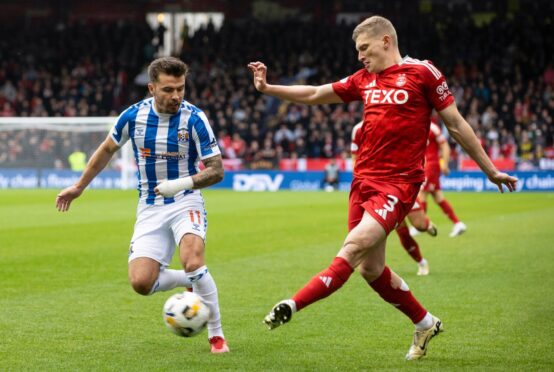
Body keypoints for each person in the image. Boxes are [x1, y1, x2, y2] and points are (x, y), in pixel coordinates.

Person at [248, 15, 517, 360]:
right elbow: (316, 92)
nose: (360, 56)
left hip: (398, 184)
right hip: (362, 183)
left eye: (364, 48)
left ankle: (292, 304)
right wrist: (269, 88)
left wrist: (490, 169)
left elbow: (456, 124)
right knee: (370, 268)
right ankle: (424, 322)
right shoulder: (364, 79)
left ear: (386, 41)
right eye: (357, 50)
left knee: (353, 247)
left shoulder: (423, 73)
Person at [55, 57, 230, 354]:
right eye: (168, 89)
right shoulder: (133, 117)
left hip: (185, 200)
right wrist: (79, 186)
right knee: (141, 283)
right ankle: (191, 281)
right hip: (150, 206)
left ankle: (216, 336)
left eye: (181, 89)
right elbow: (107, 149)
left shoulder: (195, 118)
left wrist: (178, 185)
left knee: (193, 260)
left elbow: (217, 170)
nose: (176, 96)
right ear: (151, 88)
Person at [352, 122, 436, 276]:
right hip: (378, 188)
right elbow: (354, 158)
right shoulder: (358, 130)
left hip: (401, 185)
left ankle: (427, 224)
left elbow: (419, 147)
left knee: (419, 225)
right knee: (402, 232)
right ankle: (422, 263)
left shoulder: (397, 122)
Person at [417, 120, 467, 237]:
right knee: (438, 196)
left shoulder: (432, 127)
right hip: (425, 165)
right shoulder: (418, 125)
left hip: (431, 165)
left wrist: (444, 163)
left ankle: (421, 225)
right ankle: (457, 223)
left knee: (422, 194)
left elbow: (445, 146)